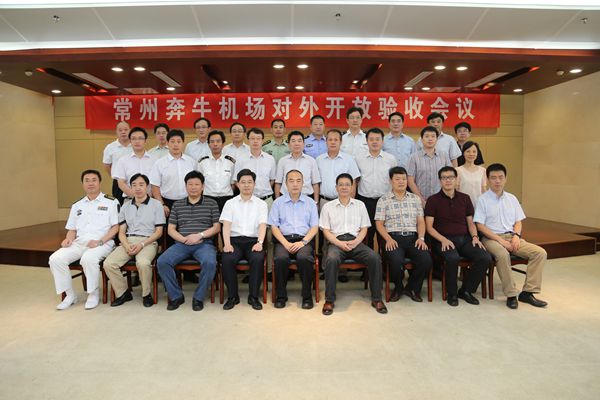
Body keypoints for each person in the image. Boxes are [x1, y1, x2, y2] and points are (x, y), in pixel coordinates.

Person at [474, 163, 548, 309]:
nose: (497, 181)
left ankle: (528, 293)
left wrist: (516, 236)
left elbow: (518, 221)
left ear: (505, 179)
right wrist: (501, 241)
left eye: (500, 177)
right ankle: (511, 294)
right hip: (491, 238)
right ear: (488, 180)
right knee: (502, 254)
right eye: (493, 178)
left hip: (512, 236)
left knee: (540, 253)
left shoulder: (512, 198)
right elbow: (480, 226)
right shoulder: (482, 200)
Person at [49, 170, 119, 310]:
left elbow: (115, 227)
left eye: (94, 180)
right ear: (82, 184)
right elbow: (72, 229)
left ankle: (93, 293)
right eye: (87, 180)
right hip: (79, 243)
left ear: (99, 182)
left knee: (88, 259)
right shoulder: (77, 205)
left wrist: (100, 241)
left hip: (102, 243)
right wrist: (68, 239)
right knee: (55, 259)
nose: (90, 183)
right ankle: (69, 295)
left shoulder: (111, 202)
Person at [319, 173, 387, 315]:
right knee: (331, 259)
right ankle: (329, 300)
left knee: (374, 258)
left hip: (356, 242)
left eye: (347, 185)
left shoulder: (360, 205)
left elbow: (364, 228)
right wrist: (339, 243)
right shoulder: (328, 207)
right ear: (336, 188)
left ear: (352, 187)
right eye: (341, 185)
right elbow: (326, 231)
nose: (344, 187)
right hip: (336, 242)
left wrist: (356, 242)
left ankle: (377, 299)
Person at [424, 166, 491, 306]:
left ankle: (466, 290)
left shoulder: (465, 198)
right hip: (442, 240)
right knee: (452, 258)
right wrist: (443, 239)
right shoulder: (433, 200)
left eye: (451, 177)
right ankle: (452, 293)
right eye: (444, 178)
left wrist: (475, 237)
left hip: (465, 239)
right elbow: (429, 227)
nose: (448, 180)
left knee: (485, 257)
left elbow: (471, 223)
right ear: (440, 181)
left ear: (456, 179)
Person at [156, 171, 221, 311]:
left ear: (203, 186)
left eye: (197, 184)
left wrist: (200, 235)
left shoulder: (212, 203)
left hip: (204, 244)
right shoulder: (177, 205)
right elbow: (171, 229)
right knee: (162, 262)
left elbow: (217, 227)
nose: (193, 187)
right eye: (190, 184)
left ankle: (199, 297)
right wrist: (185, 240)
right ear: (185, 186)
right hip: (181, 244)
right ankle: (176, 296)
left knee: (210, 263)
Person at [103, 174, 165, 307]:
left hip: (148, 241)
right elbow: (121, 232)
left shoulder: (156, 205)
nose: (138, 188)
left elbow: (158, 232)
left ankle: (146, 294)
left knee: (143, 263)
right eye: (134, 185)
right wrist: (126, 245)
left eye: (141, 185)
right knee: (109, 263)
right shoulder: (125, 206)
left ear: (147, 187)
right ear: (130, 188)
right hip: (128, 240)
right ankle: (123, 293)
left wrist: (142, 244)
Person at [375, 167, 432, 302]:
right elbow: (379, 224)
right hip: (393, 237)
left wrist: (421, 238)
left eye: (404, 179)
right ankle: (398, 287)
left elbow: (420, 222)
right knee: (395, 261)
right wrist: (388, 239)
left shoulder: (415, 199)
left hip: (413, 238)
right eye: (397, 179)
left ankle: (412, 287)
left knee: (426, 260)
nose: (401, 182)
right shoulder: (383, 200)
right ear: (391, 181)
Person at [149, 129, 198, 283]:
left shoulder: (191, 162)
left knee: (188, 234)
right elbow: (155, 186)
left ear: (183, 143)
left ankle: (189, 273)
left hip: (188, 202)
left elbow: (197, 183)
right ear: (167, 143)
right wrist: (162, 204)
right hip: (167, 203)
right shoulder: (160, 163)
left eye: (178, 142)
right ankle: (172, 274)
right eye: (172, 142)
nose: (176, 145)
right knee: (170, 239)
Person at [268, 169, 319, 309]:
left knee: (304, 258)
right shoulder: (278, 203)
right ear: (285, 184)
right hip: (283, 240)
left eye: (298, 181)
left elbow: (314, 227)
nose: (295, 184)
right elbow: (274, 226)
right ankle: (281, 296)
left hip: (304, 240)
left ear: (303, 183)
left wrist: (303, 242)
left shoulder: (310, 203)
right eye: (291, 181)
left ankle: (307, 296)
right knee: (280, 258)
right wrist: (285, 243)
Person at [316, 128, 361, 282]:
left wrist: (350, 201)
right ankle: (326, 268)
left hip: (344, 202)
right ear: (326, 142)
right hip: (325, 201)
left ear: (341, 142)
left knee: (343, 233)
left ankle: (342, 271)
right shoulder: (319, 159)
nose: (333, 142)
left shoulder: (348, 159)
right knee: (326, 236)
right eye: (330, 139)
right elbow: (317, 181)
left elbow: (354, 181)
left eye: (336, 139)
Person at [220, 169, 268, 311]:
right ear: (237, 184)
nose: (246, 185)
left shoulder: (261, 204)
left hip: (253, 241)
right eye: (243, 182)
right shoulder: (230, 203)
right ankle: (232, 297)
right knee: (227, 259)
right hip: (234, 241)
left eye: (249, 182)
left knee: (258, 258)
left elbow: (263, 225)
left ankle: (253, 297)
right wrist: (227, 244)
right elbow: (226, 225)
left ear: (254, 184)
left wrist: (260, 243)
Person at [355, 127, 397, 249]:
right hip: (365, 201)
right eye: (371, 139)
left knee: (384, 233)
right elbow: (356, 180)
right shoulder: (358, 158)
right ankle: (368, 261)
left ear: (382, 141)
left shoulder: (390, 159)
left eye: (377, 139)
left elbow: (394, 179)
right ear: (366, 141)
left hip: (385, 201)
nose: (374, 142)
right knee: (367, 233)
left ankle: (384, 260)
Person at [407, 126, 452, 206]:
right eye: (427, 136)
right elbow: (410, 180)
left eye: (433, 136)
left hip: (442, 200)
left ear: (437, 139)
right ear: (422, 139)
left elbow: (450, 177)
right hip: (419, 201)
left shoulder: (444, 156)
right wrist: (420, 200)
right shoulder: (414, 157)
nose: (430, 139)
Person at [274, 131, 321, 203]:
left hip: (307, 199)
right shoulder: (282, 161)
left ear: (304, 144)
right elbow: (278, 183)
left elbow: (315, 183)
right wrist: (277, 201)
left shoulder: (311, 160)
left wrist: (316, 202)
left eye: (299, 141)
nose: (296, 144)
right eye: (293, 141)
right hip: (285, 199)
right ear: (289, 144)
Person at [197, 130, 235, 213]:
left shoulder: (230, 162)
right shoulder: (202, 162)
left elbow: (233, 184)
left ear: (223, 144)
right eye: (212, 141)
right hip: (207, 199)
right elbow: (199, 183)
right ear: (208, 144)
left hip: (227, 200)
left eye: (218, 141)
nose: (215, 144)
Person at [112, 127, 156, 199]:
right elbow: (121, 183)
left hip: (151, 200)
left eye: (140, 138)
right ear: (130, 141)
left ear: (145, 141)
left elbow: (157, 183)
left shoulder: (154, 160)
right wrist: (136, 197)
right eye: (133, 139)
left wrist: (147, 199)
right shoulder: (123, 160)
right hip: (130, 200)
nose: (137, 141)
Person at [102, 121, 131, 203]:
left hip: (134, 182)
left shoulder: (135, 145)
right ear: (116, 132)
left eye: (126, 129)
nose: (123, 132)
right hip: (118, 182)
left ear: (130, 131)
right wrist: (115, 175)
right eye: (120, 130)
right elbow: (107, 165)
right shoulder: (110, 147)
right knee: (118, 205)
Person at [456, 141, 487, 208]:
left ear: (477, 153)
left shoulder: (482, 170)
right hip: (462, 206)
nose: (471, 154)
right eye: (468, 151)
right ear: (463, 153)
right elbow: (456, 190)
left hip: (479, 206)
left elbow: (483, 189)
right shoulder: (458, 170)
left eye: (474, 151)